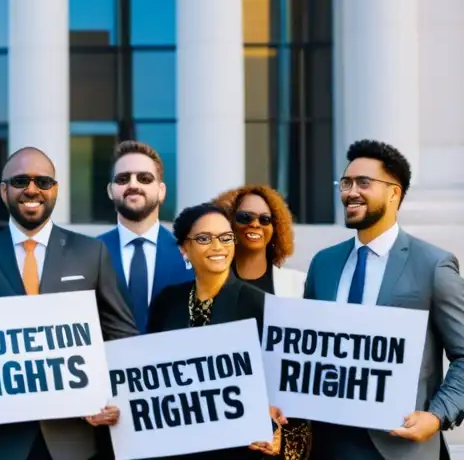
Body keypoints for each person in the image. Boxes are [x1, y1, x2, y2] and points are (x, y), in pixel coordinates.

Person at [0, 146, 136, 460]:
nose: (32, 189)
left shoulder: (90, 253)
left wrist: (113, 397)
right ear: (4, 191)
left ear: (55, 190)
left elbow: (122, 337)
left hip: (72, 438)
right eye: (20, 181)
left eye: (43, 182)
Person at [304, 140, 464, 459]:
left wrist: (436, 416)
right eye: (345, 182)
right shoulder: (323, 263)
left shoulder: (432, 264)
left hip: (398, 445)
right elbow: (307, 346)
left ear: (394, 193)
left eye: (364, 182)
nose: (351, 192)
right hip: (327, 442)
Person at [146, 202, 285, 459]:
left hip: (236, 448)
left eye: (225, 237)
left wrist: (272, 420)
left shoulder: (260, 304)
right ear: (184, 249)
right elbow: (149, 373)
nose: (217, 246)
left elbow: (279, 382)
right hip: (175, 444)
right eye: (203, 238)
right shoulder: (167, 301)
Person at [214, 185, 310, 458]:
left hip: (285, 429)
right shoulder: (208, 287)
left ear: (275, 227)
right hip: (225, 427)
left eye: (265, 219)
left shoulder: (299, 285)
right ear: (228, 224)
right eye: (244, 217)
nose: (255, 224)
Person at [97, 140, 192, 333]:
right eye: (123, 179)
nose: (133, 185)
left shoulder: (190, 255)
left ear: (161, 191)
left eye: (144, 178)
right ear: (110, 190)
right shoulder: (88, 254)